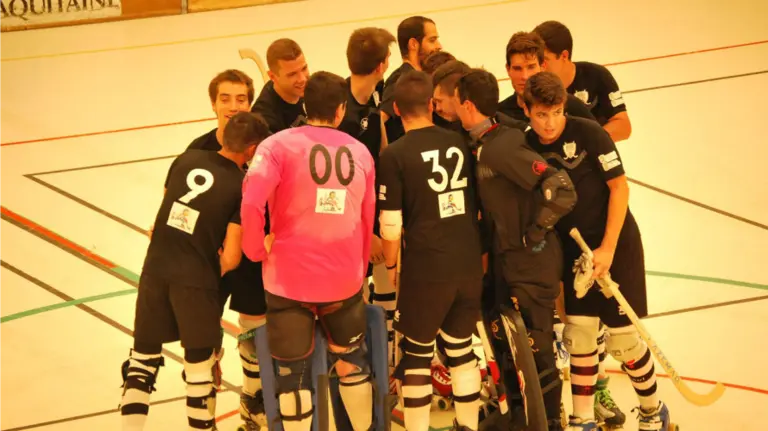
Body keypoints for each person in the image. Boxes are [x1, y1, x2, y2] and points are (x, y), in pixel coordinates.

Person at [523, 71, 672, 431]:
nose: (550, 122)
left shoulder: (589, 132)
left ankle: (654, 412)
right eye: (541, 114)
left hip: (615, 243)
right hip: (573, 253)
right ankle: (583, 419)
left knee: (622, 340)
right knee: (580, 336)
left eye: (556, 112)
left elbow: (619, 189)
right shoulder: (524, 146)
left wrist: (607, 249)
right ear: (527, 110)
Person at [240, 71, 377, 431]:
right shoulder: (361, 152)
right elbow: (366, 220)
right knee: (351, 366)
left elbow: (251, 201)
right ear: (341, 110)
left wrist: (256, 251)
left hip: (289, 281)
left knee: (293, 378)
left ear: (304, 104)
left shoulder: (276, 146)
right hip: (343, 281)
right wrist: (358, 272)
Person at [119, 112, 270, 431]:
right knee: (199, 373)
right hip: (196, 280)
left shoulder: (186, 158)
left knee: (141, 364)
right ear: (252, 150)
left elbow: (168, 208)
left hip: (154, 269)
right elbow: (231, 257)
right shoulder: (242, 185)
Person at [454, 68, 578, 431]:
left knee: (538, 348)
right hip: (505, 261)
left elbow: (560, 187)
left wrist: (536, 230)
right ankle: (519, 415)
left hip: (532, 262)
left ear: (468, 105)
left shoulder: (502, 146)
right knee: (504, 339)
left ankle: (551, 422)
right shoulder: (487, 140)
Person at [377, 70, 484, 431]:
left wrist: (390, 268)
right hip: (468, 262)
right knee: (461, 350)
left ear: (395, 108)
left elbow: (390, 225)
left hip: (427, 269)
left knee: (418, 355)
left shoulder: (394, 154)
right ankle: (467, 425)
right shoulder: (457, 141)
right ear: (430, 105)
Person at [185, 69, 270, 429]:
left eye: (241, 99)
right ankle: (204, 418)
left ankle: (253, 404)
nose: (233, 107)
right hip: (211, 262)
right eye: (225, 99)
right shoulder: (197, 151)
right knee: (204, 346)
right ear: (213, 104)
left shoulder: (266, 151)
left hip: (251, 258)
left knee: (255, 337)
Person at [337, 26, 400, 374]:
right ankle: (357, 367)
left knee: (387, 286)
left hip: (374, 211)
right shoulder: (342, 115)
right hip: (353, 225)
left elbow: (382, 151)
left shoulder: (375, 97)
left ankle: (386, 363)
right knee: (355, 297)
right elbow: (343, 190)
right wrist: (368, 233)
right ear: (382, 64)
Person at [532, 21, 632, 142]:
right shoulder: (533, 87)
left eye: (545, 59)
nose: (539, 66)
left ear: (564, 56)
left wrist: (586, 144)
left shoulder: (596, 75)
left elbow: (623, 126)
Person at [499, 31, 595, 124]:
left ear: (543, 66)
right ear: (508, 69)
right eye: (517, 68)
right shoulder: (499, 114)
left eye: (531, 67)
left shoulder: (570, 105)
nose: (525, 76)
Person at [380, 16, 443, 143]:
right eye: (432, 40)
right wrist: (386, 151)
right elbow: (380, 119)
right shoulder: (400, 79)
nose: (439, 46)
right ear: (413, 44)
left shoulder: (424, 75)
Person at [250, 38, 311, 133]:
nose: (302, 79)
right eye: (292, 74)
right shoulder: (264, 119)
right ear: (272, 76)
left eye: (304, 68)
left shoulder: (313, 89)